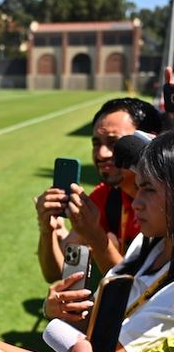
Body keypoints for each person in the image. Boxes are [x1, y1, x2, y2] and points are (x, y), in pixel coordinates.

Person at [42, 130, 174, 352]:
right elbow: (101, 321)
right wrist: (60, 310)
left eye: (149, 189)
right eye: (138, 187)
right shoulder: (147, 242)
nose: (136, 203)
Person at [36, 98, 162, 282]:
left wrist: (95, 236)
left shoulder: (165, 207)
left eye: (114, 142)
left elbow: (142, 295)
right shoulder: (103, 197)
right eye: (96, 143)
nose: (101, 154)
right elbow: (55, 272)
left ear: (147, 141)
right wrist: (46, 229)